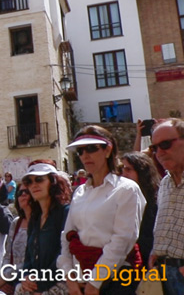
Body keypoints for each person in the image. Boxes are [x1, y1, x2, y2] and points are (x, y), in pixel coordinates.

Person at [58, 126, 145, 295]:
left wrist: (95, 282)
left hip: (116, 280)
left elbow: (123, 240)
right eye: (80, 150)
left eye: (91, 148)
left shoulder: (126, 189)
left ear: (108, 150)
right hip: (81, 280)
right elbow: (67, 236)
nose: (85, 155)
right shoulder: (80, 192)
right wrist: (70, 277)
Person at [16, 161, 71, 295]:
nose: (34, 185)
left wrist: (41, 283)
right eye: (29, 181)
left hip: (60, 283)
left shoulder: (66, 212)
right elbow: (28, 256)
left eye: (39, 179)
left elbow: (64, 253)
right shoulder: (35, 218)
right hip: (35, 286)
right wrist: (27, 276)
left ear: (52, 182)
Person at [149, 118, 184, 295]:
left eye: (165, 144)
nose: (159, 153)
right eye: (154, 148)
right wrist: (158, 249)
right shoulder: (165, 182)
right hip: (164, 273)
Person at [119, 152, 160, 263]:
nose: (123, 174)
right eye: (122, 169)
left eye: (128, 169)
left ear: (142, 172)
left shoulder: (157, 199)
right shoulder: (122, 196)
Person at [0, 185, 32, 295]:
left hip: (31, 281)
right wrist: (4, 281)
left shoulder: (42, 223)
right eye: (20, 192)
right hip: (13, 283)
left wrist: (6, 277)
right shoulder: (16, 223)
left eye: (26, 191)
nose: (23, 194)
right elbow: (8, 255)